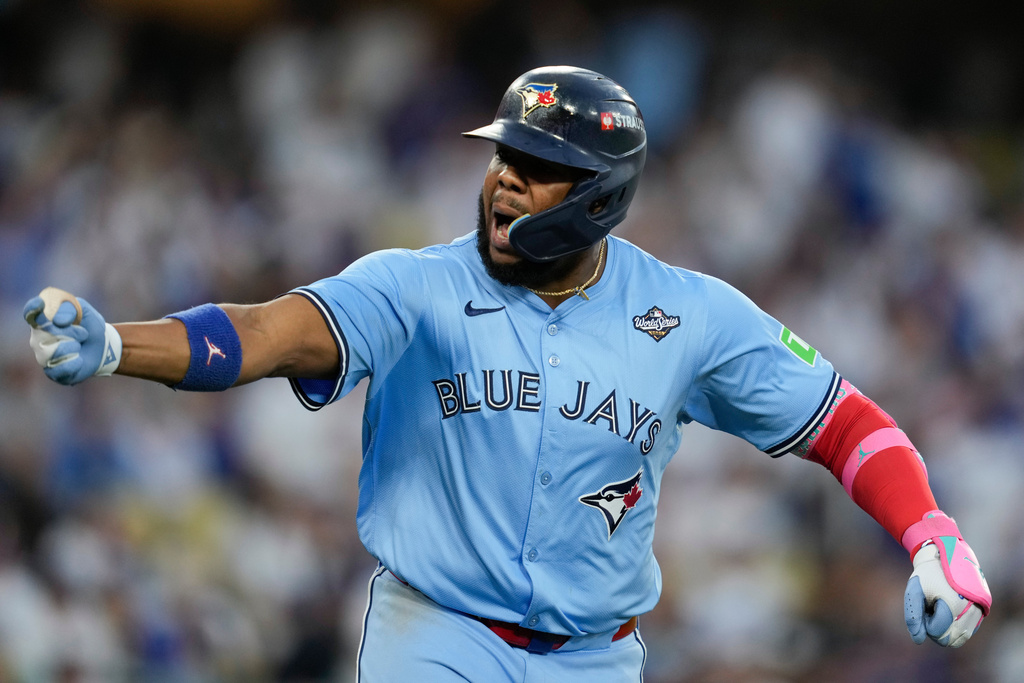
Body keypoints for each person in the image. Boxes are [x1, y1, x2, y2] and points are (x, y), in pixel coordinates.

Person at [23, 66, 991, 681]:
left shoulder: (688, 313)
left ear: (599, 196)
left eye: (536, 164)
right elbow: (267, 332)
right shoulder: (421, 285)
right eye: (503, 156)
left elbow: (843, 422)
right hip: (435, 634)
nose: (503, 180)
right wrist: (120, 346)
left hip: (595, 655)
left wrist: (928, 529)